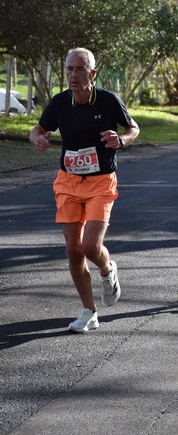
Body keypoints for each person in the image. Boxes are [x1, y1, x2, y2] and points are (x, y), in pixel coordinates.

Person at [29, 48, 140, 333]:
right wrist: (38, 139)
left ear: (92, 74)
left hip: (101, 181)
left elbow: (133, 128)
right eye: (69, 69)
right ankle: (89, 311)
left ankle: (107, 269)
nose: (73, 75)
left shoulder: (108, 100)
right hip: (68, 181)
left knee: (90, 246)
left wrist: (122, 140)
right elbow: (37, 129)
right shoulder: (60, 103)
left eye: (79, 69)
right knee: (73, 249)